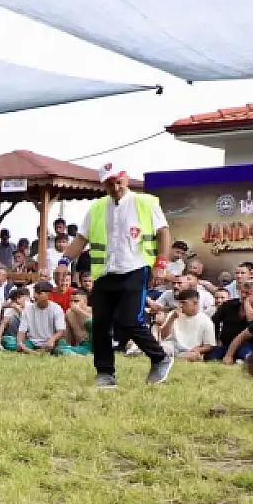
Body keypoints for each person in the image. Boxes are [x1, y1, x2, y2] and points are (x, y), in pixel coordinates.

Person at [61, 164, 172, 388]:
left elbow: (163, 232)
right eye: (109, 182)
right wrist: (64, 261)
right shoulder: (97, 208)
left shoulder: (145, 202)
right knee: (100, 324)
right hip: (104, 272)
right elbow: (81, 239)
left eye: (118, 179)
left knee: (130, 320)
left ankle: (160, 358)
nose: (115, 185)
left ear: (126, 177)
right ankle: (105, 373)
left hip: (135, 268)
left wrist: (161, 263)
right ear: (103, 184)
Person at [10, 281, 67, 353]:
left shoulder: (56, 308)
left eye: (39, 293)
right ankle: (35, 351)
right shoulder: (28, 309)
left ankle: (33, 351)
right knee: (7, 341)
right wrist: (20, 342)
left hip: (51, 343)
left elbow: (61, 331)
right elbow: (22, 331)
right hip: (32, 343)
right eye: (35, 293)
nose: (35, 296)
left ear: (48, 295)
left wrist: (52, 340)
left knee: (62, 348)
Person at [162, 287, 216, 361]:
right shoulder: (173, 314)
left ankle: (172, 359)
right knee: (163, 348)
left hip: (189, 350)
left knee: (194, 356)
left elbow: (209, 345)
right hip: (172, 346)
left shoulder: (206, 321)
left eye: (184, 303)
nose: (180, 305)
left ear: (195, 303)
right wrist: (171, 319)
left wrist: (198, 350)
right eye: (179, 303)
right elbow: (163, 336)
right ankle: (172, 358)